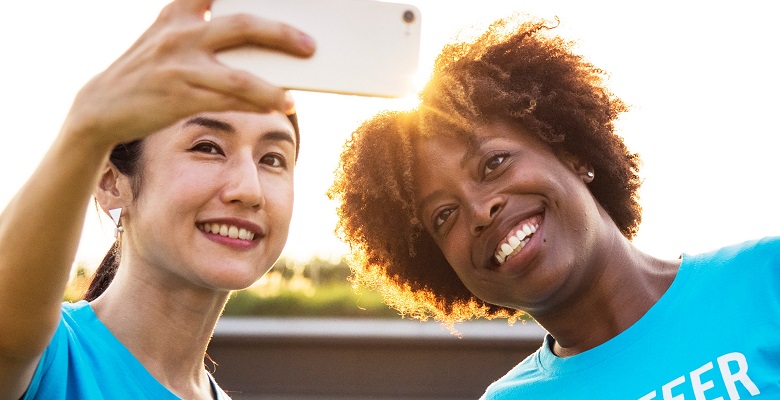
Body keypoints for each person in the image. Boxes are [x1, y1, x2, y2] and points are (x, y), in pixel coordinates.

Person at [328, 16, 780, 399]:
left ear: (575, 155)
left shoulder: (766, 278)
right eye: (444, 216)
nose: (481, 211)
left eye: (494, 163)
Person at [0, 0, 316, 398]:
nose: (249, 190)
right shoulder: (46, 358)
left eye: (272, 159)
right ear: (111, 182)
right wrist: (86, 127)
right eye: (208, 147)